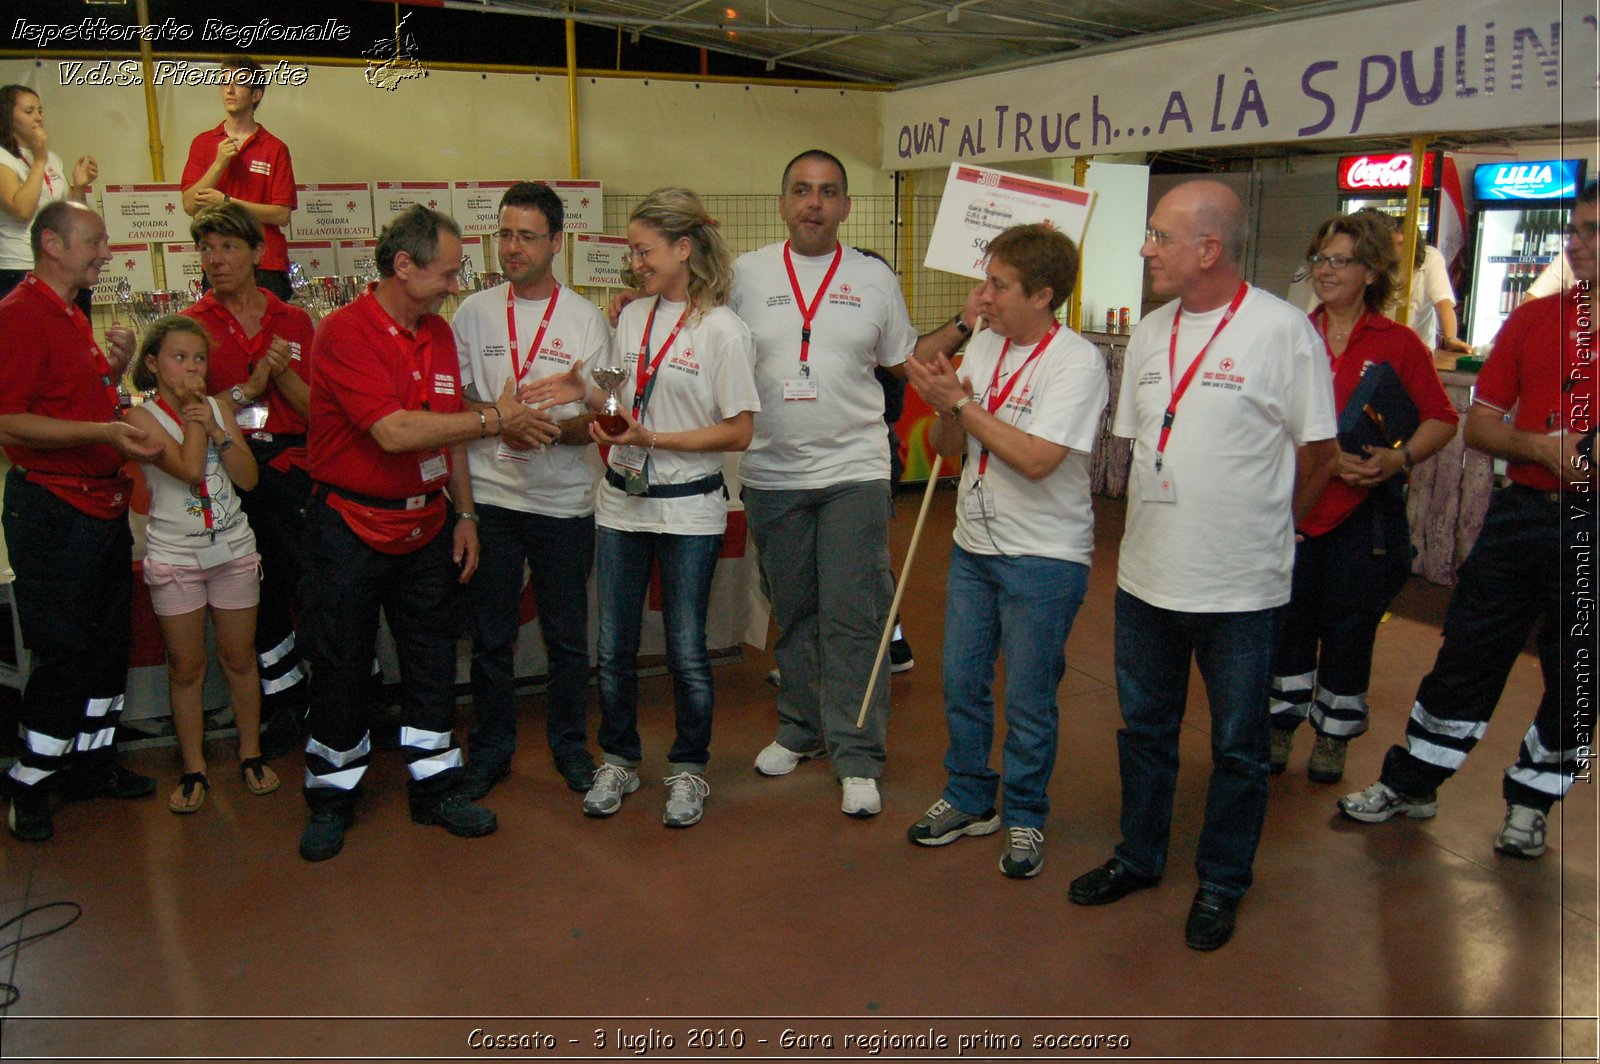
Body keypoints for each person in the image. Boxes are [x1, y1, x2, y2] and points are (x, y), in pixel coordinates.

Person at [1066, 180, 1338, 950]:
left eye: (1158, 236)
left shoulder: (1283, 332)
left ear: (1207, 249)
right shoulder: (1152, 332)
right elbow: (1145, 445)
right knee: (1145, 732)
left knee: (1238, 749)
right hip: (1147, 579)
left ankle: (1222, 883)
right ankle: (1139, 857)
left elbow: (1320, 451)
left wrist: (1272, 529)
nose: (1146, 249)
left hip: (1242, 588)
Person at [1338, 181, 1597, 859]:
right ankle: (1412, 783)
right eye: (1576, 228)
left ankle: (1532, 802)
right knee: (1468, 652)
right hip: (1522, 516)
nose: (1577, 243)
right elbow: (1479, 426)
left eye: (1593, 231)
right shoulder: (1535, 321)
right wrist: (1542, 448)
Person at [295, 204, 549, 861]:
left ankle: (436, 790)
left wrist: (464, 515)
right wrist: (495, 418)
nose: (455, 283)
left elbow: (447, 434)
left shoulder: (437, 333)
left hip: (427, 526)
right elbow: (396, 431)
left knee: (433, 662)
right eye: (446, 272)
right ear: (402, 265)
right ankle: (331, 797)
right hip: (347, 527)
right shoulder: (345, 333)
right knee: (343, 666)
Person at [902, 224, 1108, 879]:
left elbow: (1038, 459)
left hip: (1043, 557)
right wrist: (944, 404)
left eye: (997, 284)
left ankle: (1024, 814)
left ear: (1043, 295)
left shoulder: (1075, 361)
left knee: (1027, 698)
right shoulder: (986, 346)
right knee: (962, 683)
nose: (981, 297)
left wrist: (960, 401)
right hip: (973, 546)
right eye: (985, 280)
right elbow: (949, 448)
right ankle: (969, 798)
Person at [554, 188, 756, 828]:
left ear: (683, 249)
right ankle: (618, 757)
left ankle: (689, 768)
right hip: (621, 505)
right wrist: (590, 404)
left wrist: (652, 440)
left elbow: (739, 431)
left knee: (686, 650)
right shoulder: (632, 317)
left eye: (644, 251)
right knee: (612, 645)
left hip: (689, 511)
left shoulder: (723, 330)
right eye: (633, 252)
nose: (635, 262)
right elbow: (616, 395)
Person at [736, 150, 919, 818]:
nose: (815, 203)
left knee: (854, 616)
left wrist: (970, 334)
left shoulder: (874, 278)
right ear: (783, 202)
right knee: (796, 616)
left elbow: (904, 363)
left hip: (853, 472)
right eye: (802, 191)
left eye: (829, 192)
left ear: (845, 206)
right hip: (772, 473)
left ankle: (858, 753)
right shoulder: (744, 275)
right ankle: (801, 730)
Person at [1268, 213, 1458, 783]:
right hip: (1297, 508)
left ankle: (1334, 735)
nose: (1326, 271)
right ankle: (1279, 724)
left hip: (1363, 519)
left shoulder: (1397, 342)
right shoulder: (1292, 334)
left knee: (1350, 630)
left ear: (1372, 271)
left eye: (1341, 261)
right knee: (1288, 622)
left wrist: (1396, 459)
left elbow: (1441, 419)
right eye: (1320, 259)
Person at [0, 201, 163, 841]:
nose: (105, 253)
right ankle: (32, 781)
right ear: (51, 244)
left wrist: (116, 370)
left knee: (104, 650)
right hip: (54, 511)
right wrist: (103, 429)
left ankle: (93, 765)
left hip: (100, 509)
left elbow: (69, 400)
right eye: (94, 242)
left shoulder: (72, 314)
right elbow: (9, 419)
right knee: (64, 652)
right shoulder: (19, 317)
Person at [451, 181, 609, 799]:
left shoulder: (585, 319)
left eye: (527, 236)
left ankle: (569, 745)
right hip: (491, 500)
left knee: (567, 637)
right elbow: (457, 400)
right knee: (492, 637)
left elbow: (603, 415)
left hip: (564, 503)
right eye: (505, 234)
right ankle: (490, 750)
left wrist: (546, 431)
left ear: (556, 242)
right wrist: (499, 416)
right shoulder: (473, 312)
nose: (512, 248)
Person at [124, 316, 278, 813]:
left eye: (199, 358)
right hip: (176, 555)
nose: (192, 367)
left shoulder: (215, 409)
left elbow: (248, 480)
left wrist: (218, 428)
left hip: (231, 548)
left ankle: (250, 754)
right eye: (178, 357)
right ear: (153, 364)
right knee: (187, 667)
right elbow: (190, 471)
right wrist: (195, 415)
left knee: (239, 657)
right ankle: (194, 767)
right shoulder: (141, 418)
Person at [180, 203, 316, 756]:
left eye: (229, 247)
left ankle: (345, 692)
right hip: (231, 470)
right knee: (256, 592)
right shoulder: (194, 324)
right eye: (207, 249)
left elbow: (318, 414)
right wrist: (251, 387)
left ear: (259, 254)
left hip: (297, 467)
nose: (216, 260)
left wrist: (280, 380)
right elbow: (188, 407)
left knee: (315, 583)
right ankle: (284, 700)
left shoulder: (296, 320)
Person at [180, 57, 296, 302]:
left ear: (256, 95)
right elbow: (190, 205)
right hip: (218, 263)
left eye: (239, 83)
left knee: (271, 338)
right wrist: (219, 164)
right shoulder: (204, 143)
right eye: (224, 83)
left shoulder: (274, 148)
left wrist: (227, 201)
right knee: (218, 338)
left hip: (266, 265)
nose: (229, 90)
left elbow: (281, 215)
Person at [0, 85, 97, 308]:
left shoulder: (53, 159)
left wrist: (79, 187)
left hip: (59, 263)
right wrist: (39, 159)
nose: (38, 118)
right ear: (7, 117)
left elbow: (68, 217)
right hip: (18, 265)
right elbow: (22, 210)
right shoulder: (4, 157)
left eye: (40, 111)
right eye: (29, 111)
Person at [1355, 209, 1471, 355]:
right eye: (1393, 245)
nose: (1398, 251)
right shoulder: (1381, 263)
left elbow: (1443, 305)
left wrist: (1451, 339)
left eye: (1403, 244)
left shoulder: (1430, 258)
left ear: (1415, 245)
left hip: (1419, 347)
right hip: (1381, 345)